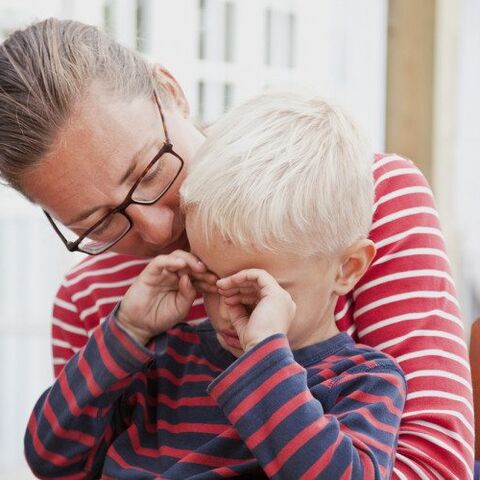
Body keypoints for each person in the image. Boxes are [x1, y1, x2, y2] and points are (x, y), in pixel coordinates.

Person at [0, 18, 473, 479]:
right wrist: (125, 333)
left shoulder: (362, 203)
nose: (159, 229)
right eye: (99, 222)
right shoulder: (96, 304)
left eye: (149, 171)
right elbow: (59, 462)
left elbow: (433, 466)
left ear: (172, 91)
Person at [25, 90, 407, 479]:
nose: (227, 313)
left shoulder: (362, 382)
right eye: (209, 279)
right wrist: (128, 330)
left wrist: (264, 359)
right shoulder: (166, 360)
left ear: (348, 268)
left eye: (254, 293)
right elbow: (51, 459)